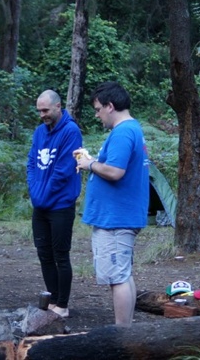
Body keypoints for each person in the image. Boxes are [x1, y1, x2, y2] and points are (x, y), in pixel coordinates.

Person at [74, 82, 149, 326]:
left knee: (118, 277)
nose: (97, 115)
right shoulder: (129, 130)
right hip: (117, 216)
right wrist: (94, 160)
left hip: (117, 218)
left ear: (110, 106)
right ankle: (125, 331)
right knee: (122, 275)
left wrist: (89, 165)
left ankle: (122, 334)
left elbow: (115, 172)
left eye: (98, 109)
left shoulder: (123, 132)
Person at [27, 89, 83, 318]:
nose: (42, 115)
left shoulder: (71, 131)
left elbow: (62, 171)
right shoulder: (40, 132)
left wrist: (43, 196)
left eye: (46, 110)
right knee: (44, 254)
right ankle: (51, 300)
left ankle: (63, 304)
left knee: (60, 254)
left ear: (58, 106)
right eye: (39, 110)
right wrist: (35, 193)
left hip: (60, 205)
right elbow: (31, 163)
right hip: (40, 205)